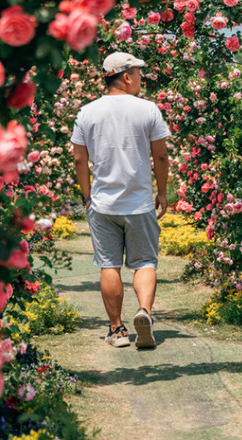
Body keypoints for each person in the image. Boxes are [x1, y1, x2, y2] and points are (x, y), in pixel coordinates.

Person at [71, 51, 170, 349]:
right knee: (145, 262)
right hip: (139, 204)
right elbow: (161, 156)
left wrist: (87, 196)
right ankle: (144, 312)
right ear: (125, 76)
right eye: (138, 73)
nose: (141, 78)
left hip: (103, 205)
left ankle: (116, 331)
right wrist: (162, 192)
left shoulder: (87, 112)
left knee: (109, 265)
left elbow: (79, 159)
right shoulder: (148, 110)